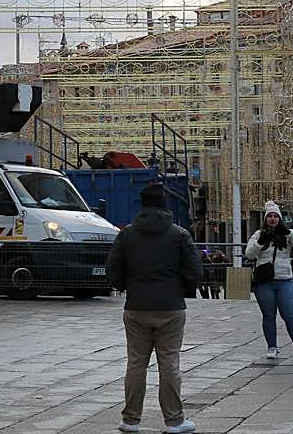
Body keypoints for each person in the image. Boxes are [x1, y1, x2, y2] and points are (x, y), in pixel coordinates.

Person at [106, 183, 201, 434]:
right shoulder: (179, 235)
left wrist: (128, 286)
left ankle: (130, 420)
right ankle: (175, 421)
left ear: (143, 204)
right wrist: (180, 289)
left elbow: (112, 271)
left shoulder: (126, 235)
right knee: (169, 363)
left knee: (136, 363)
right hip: (170, 308)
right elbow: (195, 272)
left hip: (137, 307)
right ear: (164, 205)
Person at [245, 200, 293, 361]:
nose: (272, 219)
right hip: (265, 281)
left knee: (290, 314)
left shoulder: (287, 235)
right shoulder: (259, 235)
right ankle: (272, 347)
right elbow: (249, 254)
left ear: (279, 219)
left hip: (284, 279)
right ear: (265, 219)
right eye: (270, 216)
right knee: (268, 315)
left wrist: (289, 233)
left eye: (275, 216)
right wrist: (260, 242)